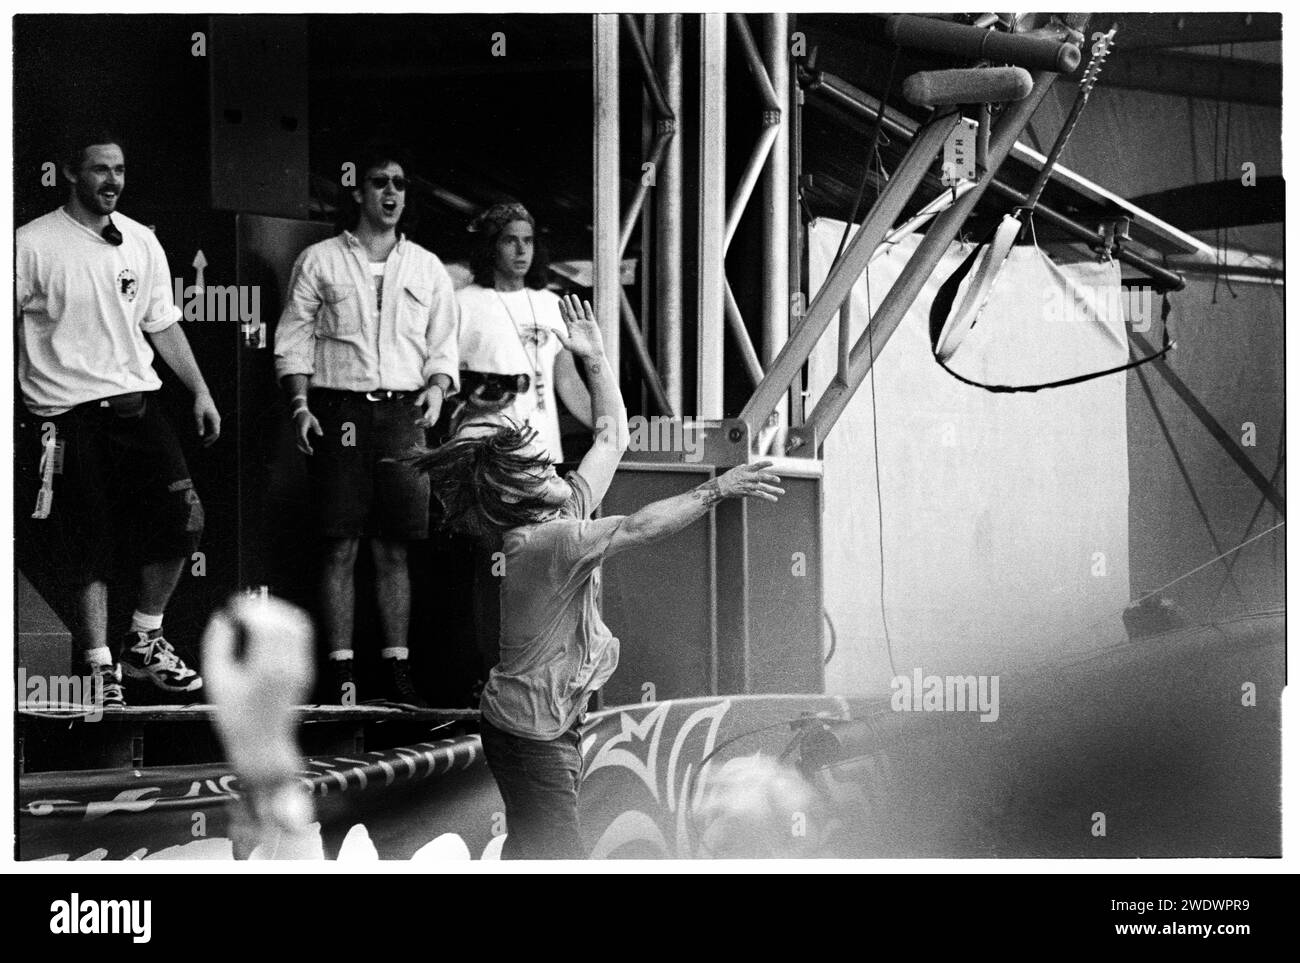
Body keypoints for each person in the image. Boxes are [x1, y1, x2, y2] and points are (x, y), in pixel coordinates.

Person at [413, 295, 784, 858]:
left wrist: (595, 357)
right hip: (532, 736)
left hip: (529, 723)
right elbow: (637, 527)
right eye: (539, 468)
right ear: (515, 494)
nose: (556, 466)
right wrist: (717, 489)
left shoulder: (558, 512)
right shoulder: (549, 542)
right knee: (559, 857)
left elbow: (612, 438)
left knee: (532, 851)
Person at [16, 130, 220, 707]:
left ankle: (145, 639)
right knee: (90, 543)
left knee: (184, 522)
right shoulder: (30, 244)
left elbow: (162, 321)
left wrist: (201, 391)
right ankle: (100, 666)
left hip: (138, 407)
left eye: (120, 170)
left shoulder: (140, 241)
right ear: (70, 175)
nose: (113, 181)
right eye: (101, 170)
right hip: (67, 415)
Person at [273, 142, 459, 708]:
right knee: (339, 544)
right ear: (358, 190)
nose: (391, 193)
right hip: (341, 410)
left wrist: (436, 387)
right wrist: (301, 405)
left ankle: (397, 669)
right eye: (380, 182)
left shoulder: (426, 266)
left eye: (400, 184)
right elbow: (293, 340)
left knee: (395, 548)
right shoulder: (322, 259)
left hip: (403, 412)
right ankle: (340, 672)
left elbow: (442, 345)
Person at [456, 202, 592, 463]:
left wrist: (605, 425)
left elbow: (567, 380)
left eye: (528, 241)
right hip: (484, 448)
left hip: (542, 447)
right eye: (510, 240)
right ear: (491, 246)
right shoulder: (461, 302)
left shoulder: (552, 303)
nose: (521, 250)